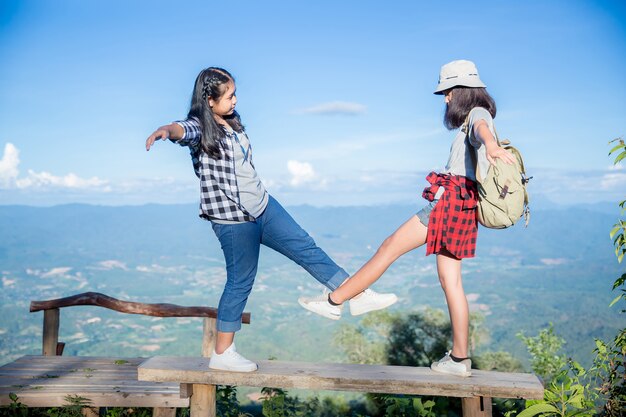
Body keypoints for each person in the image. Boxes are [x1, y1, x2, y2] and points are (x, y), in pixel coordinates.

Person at [145, 67, 398, 372]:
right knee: (240, 281)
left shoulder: (233, 125)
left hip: (263, 206)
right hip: (233, 219)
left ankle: (355, 293)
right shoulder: (201, 127)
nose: (235, 100)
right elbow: (182, 129)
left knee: (305, 246)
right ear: (209, 99)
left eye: (235, 92)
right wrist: (165, 130)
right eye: (229, 95)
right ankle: (222, 354)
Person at [299, 60, 515, 377]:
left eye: (449, 92)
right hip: (462, 205)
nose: (445, 99)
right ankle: (459, 360)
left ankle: (336, 301)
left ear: (463, 91)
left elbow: (484, 131)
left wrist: (492, 145)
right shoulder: (473, 117)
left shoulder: (477, 115)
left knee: (389, 247)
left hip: (450, 204)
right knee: (450, 281)